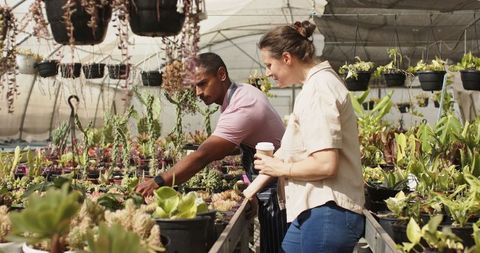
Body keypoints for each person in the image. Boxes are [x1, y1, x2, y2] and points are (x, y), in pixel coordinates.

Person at [136, 52, 288, 253]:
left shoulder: (242, 104)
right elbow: (233, 147)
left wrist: (159, 180)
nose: (197, 93)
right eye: (194, 87)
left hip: (278, 187)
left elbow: (204, 155)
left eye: (202, 84)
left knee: (278, 248)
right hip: (269, 181)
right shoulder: (240, 94)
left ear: (221, 74)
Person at [253, 20, 365, 253]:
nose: (267, 73)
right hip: (316, 210)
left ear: (286, 58)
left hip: (328, 211)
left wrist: (280, 169)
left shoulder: (318, 89)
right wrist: (247, 191)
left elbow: (326, 165)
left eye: (269, 64)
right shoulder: (314, 86)